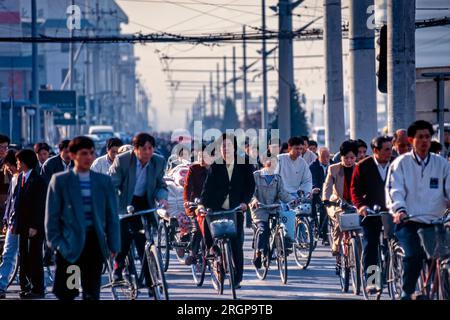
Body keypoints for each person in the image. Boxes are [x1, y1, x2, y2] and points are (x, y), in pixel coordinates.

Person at [386, 120, 450, 300]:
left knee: (442, 257)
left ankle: (439, 288)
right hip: (409, 221)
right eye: (420, 137)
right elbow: (394, 190)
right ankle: (407, 291)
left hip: (436, 222)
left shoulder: (441, 164)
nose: (424, 141)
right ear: (412, 139)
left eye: (427, 137)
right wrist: (399, 210)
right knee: (414, 256)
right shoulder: (400, 164)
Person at [109, 133, 168, 295]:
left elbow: (160, 185)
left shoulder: (158, 161)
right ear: (135, 149)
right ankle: (118, 267)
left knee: (146, 243)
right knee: (126, 237)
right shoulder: (123, 160)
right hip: (125, 202)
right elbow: (112, 185)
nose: (147, 152)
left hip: (145, 202)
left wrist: (162, 199)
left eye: (150, 148)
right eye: (143, 148)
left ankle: (151, 284)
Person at [198, 133, 255, 289]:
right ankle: (212, 250)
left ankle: (237, 278)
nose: (225, 149)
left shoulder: (244, 163)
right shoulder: (215, 165)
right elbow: (207, 188)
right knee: (208, 223)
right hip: (216, 206)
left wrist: (245, 202)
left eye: (228, 145)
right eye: (222, 146)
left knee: (236, 243)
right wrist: (202, 204)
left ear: (234, 147)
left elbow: (250, 185)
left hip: (236, 208)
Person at [350, 136, 393, 293]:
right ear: (376, 150)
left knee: (395, 242)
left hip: (392, 211)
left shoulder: (396, 163)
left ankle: (394, 269)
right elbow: (354, 189)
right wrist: (361, 206)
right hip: (370, 212)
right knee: (371, 245)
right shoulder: (363, 166)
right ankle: (372, 281)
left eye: (391, 148)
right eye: (386, 149)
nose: (390, 152)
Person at [250, 153, 295, 269]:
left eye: (275, 163)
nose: (272, 165)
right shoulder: (256, 176)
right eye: (270, 162)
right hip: (260, 209)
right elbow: (251, 193)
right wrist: (254, 201)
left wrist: (292, 200)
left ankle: (276, 249)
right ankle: (258, 253)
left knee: (278, 228)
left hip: (274, 208)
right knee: (263, 229)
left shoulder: (277, 178)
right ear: (264, 163)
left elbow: (282, 193)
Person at [14, 149, 47, 299]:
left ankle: (38, 288)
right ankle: (25, 286)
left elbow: (39, 206)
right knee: (24, 257)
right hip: (22, 226)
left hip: (34, 227)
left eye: (19, 161)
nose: (17, 163)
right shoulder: (21, 177)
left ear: (26, 162)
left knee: (34, 257)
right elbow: (17, 203)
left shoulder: (38, 181)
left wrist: (34, 225)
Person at [322, 140, 359, 262]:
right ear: (341, 157)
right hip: (337, 202)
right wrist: (325, 199)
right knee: (340, 218)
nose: (349, 160)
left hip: (355, 203)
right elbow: (327, 186)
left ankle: (358, 250)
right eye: (346, 157)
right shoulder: (334, 169)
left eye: (352, 158)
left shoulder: (359, 168)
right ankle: (336, 246)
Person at [183, 144, 213, 265]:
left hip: (211, 204)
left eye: (204, 156)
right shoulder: (193, 169)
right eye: (199, 156)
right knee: (198, 228)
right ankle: (193, 254)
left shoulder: (215, 169)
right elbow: (187, 187)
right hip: (195, 205)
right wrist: (187, 201)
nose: (201, 159)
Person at [0, 150, 21, 298]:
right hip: (12, 222)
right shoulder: (14, 178)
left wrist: (11, 221)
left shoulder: (20, 179)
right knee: (9, 254)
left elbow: (16, 204)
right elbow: (10, 204)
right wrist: (6, 220)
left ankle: (1, 286)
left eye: (8, 165)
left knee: (9, 254)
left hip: (17, 223)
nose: (6, 168)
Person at [309, 147, 332, 243]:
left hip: (331, 192)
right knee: (322, 208)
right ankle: (323, 234)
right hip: (318, 191)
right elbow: (312, 179)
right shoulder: (313, 166)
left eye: (327, 156)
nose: (326, 159)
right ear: (318, 157)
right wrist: (315, 187)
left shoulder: (333, 164)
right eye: (323, 157)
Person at [0, 135, 11, 222]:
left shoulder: (11, 163)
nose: (2, 150)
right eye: (0, 147)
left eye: (5, 147)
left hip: (6, 198)